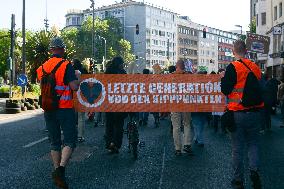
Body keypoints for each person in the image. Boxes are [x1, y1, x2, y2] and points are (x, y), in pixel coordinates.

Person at [37, 37, 79, 189]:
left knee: (54, 141)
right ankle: (60, 171)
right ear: (62, 49)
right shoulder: (66, 65)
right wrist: (77, 77)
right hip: (65, 108)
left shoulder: (41, 68)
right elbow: (74, 87)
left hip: (48, 109)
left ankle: (57, 171)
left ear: (51, 50)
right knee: (70, 140)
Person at [221, 40, 263, 189]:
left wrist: (223, 78)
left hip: (237, 113)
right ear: (246, 50)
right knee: (253, 144)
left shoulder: (233, 67)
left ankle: (238, 179)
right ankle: (254, 171)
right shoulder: (255, 67)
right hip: (255, 113)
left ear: (233, 51)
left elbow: (225, 90)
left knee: (237, 147)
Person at [104, 56, 127, 153]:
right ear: (119, 64)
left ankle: (109, 143)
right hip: (119, 102)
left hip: (108, 102)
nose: (123, 65)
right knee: (119, 124)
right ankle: (116, 144)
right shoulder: (123, 73)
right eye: (122, 63)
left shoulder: (107, 72)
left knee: (109, 124)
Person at [171, 60, 193, 156]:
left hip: (174, 104)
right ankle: (187, 144)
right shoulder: (188, 76)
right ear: (184, 67)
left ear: (176, 67)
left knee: (176, 127)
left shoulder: (170, 76)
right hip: (186, 103)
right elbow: (192, 89)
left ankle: (177, 149)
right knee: (187, 124)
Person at [192, 70, 208, 148]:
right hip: (204, 107)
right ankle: (199, 139)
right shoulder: (207, 85)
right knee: (201, 123)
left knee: (197, 123)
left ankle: (197, 138)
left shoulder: (193, 85)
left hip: (195, 107)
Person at [72, 59, 87, 142]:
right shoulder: (84, 71)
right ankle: (80, 136)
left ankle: (72, 134)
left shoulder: (71, 71)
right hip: (82, 95)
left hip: (72, 96)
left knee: (72, 116)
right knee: (81, 117)